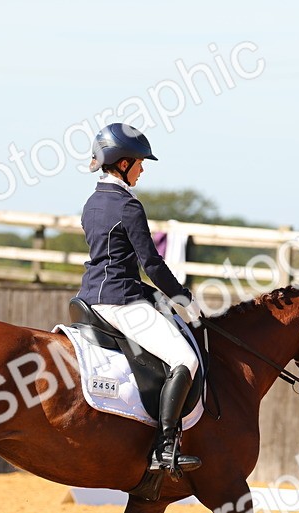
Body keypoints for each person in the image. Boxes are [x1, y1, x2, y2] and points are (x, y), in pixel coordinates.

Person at [75, 123, 201, 474]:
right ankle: (165, 446)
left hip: (92, 294)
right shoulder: (127, 205)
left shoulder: (92, 203)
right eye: (141, 162)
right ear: (124, 163)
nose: (143, 169)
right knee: (185, 360)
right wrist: (183, 298)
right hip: (121, 302)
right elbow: (151, 263)